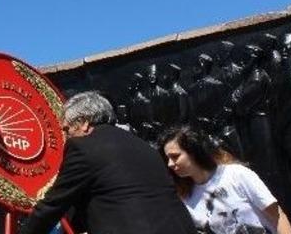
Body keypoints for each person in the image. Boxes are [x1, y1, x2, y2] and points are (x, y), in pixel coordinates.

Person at [19, 91, 196, 234]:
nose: (66, 136)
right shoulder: (144, 147)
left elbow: (53, 204)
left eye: (67, 129)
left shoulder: (82, 147)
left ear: (84, 123)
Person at [160, 126, 291, 234]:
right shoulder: (186, 198)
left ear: (194, 152)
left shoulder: (236, 175)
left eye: (175, 156)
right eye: (167, 159)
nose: (170, 164)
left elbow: (277, 217)